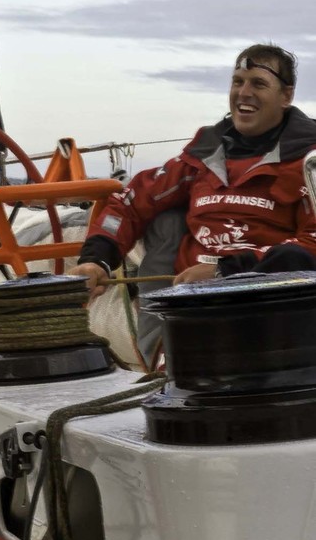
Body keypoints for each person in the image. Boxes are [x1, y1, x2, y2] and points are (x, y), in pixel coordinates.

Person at [71, 44, 316, 366]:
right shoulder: (203, 155)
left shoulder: (308, 163)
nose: (244, 93)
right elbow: (130, 203)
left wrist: (224, 273)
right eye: (237, 81)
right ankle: (158, 358)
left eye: (258, 83)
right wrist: (96, 261)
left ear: (286, 96)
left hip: (272, 316)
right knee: (166, 222)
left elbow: (310, 250)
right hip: (189, 315)